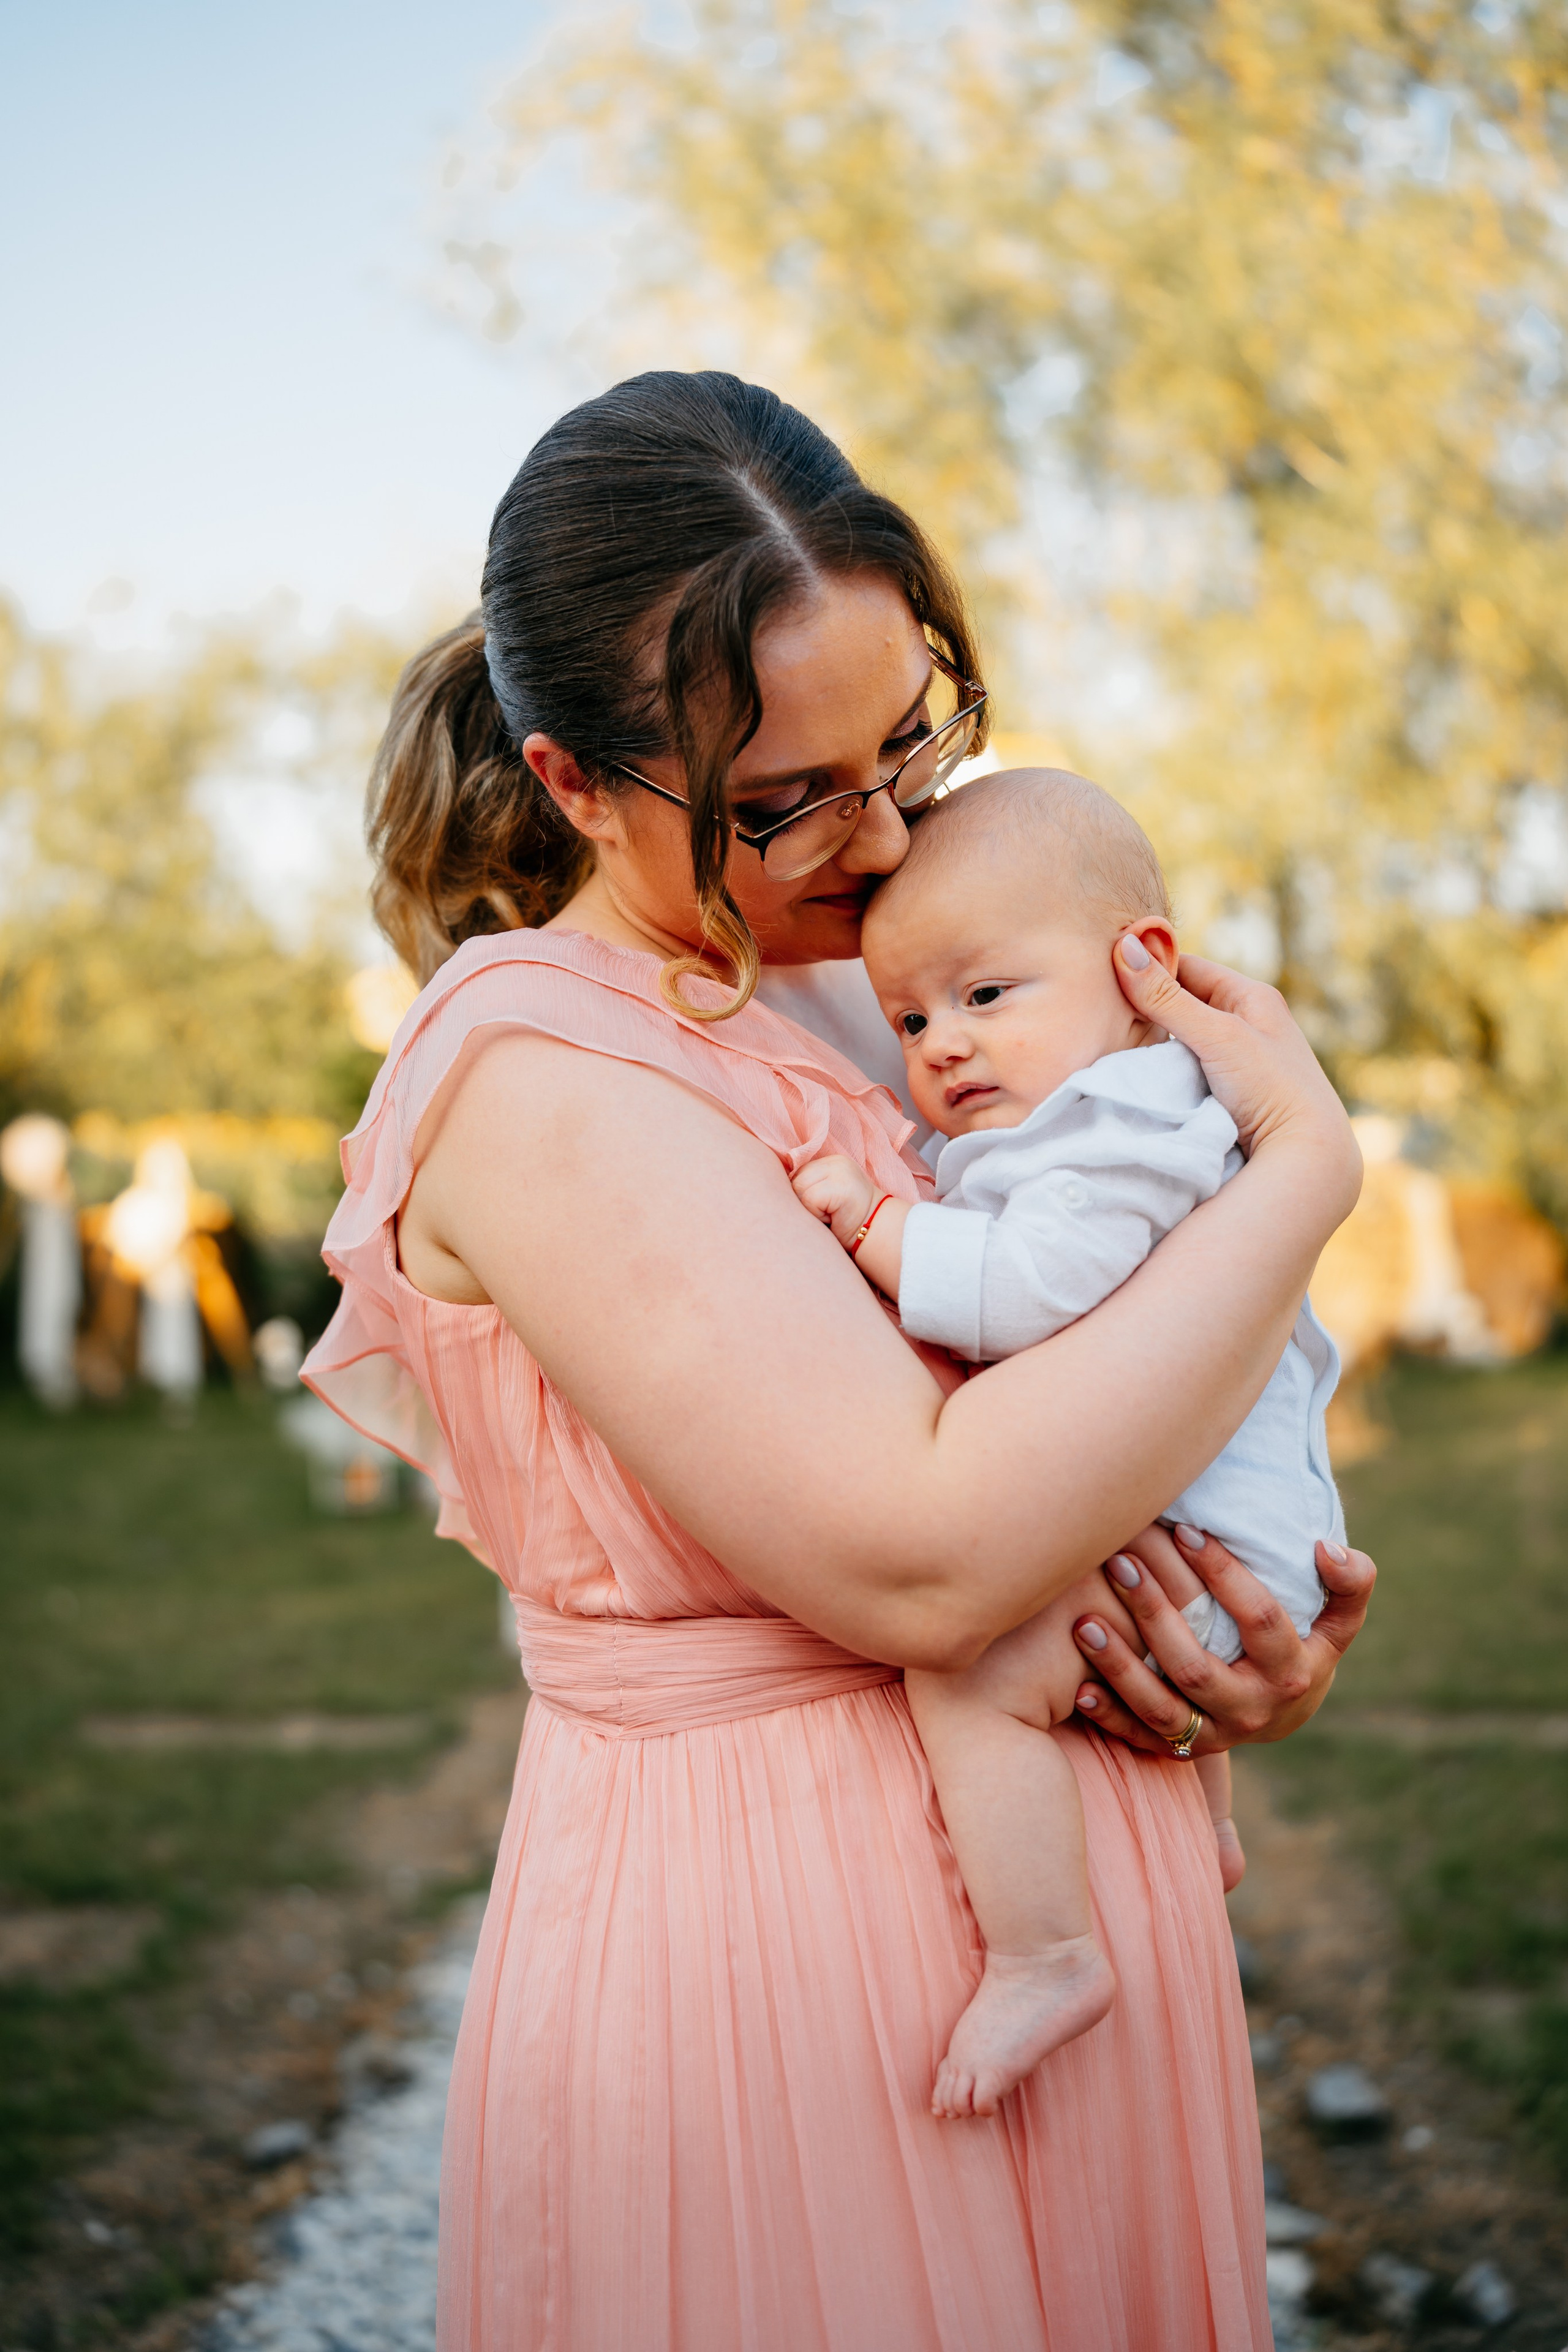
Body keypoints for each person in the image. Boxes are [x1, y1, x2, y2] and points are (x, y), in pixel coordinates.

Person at [301, 370, 1373, 2352]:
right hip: (799, 1977)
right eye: (788, 796)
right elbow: (931, 1558)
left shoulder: (884, 977)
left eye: (913, 739)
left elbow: (1121, 1333)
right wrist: (1303, 1171)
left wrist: (1243, 1626)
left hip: (1083, 1924)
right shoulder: (549, 1070)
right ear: (572, 783)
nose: (879, 833)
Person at [791, 767, 1345, 2123]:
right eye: (910, 1017)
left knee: (969, 1680)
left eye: (985, 996)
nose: (942, 1046)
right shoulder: (1109, 1112)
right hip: (1216, 1530)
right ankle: (1203, 1823)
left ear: (1141, 968)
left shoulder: (1113, 1130)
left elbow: (1032, 1287)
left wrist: (874, 1229)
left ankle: (1046, 1952)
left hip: (1208, 1555)